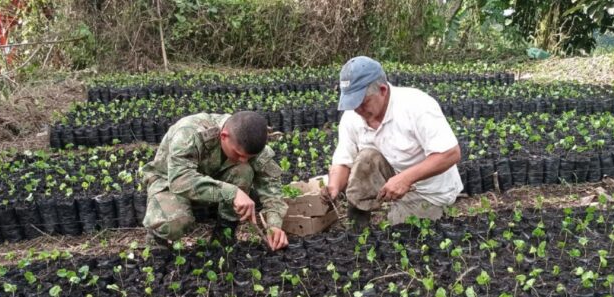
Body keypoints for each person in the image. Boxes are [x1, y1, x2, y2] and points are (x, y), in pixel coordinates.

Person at [320, 56, 463, 229]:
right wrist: (333, 187)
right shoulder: (353, 116)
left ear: (382, 90)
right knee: (366, 158)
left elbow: (450, 153)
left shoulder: (416, 105)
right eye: (353, 104)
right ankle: (358, 225)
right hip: (394, 172)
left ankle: (431, 209)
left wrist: (406, 179)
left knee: (401, 233)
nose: (358, 110)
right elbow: (343, 160)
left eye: (363, 103)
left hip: (428, 190)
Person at [141, 111, 289, 250]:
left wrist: (274, 225)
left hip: (212, 184)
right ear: (223, 136)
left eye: (249, 157)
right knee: (174, 223)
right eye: (238, 154)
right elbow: (179, 179)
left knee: (243, 170)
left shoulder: (248, 141)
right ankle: (157, 239)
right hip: (169, 182)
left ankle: (224, 233)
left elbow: (272, 186)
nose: (243, 159)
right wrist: (232, 192)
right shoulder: (189, 133)